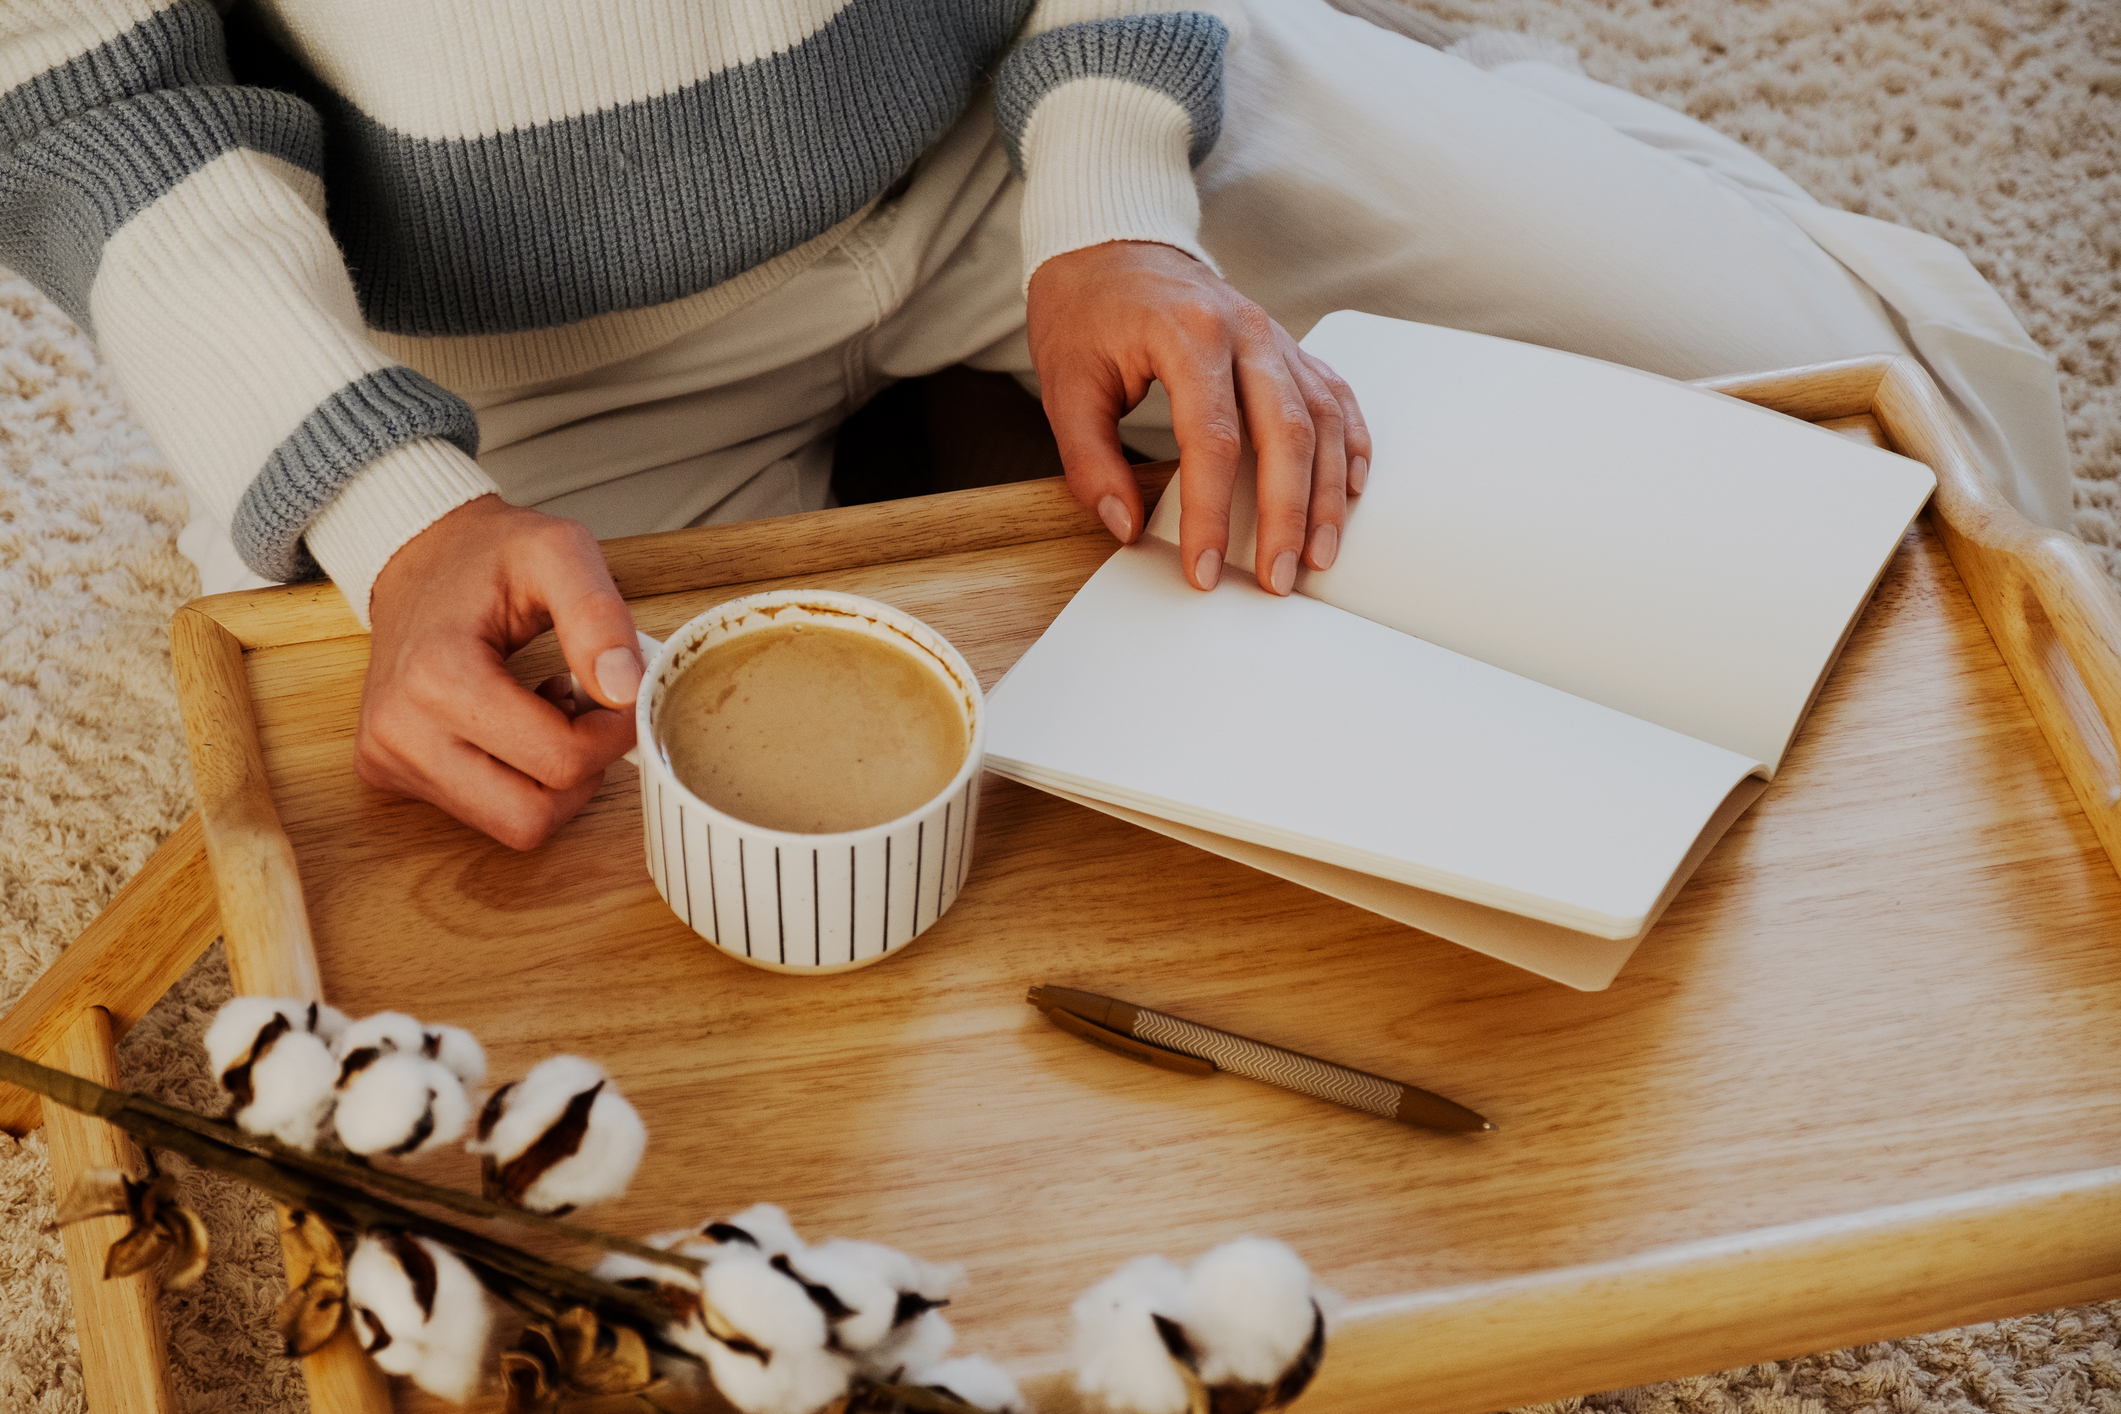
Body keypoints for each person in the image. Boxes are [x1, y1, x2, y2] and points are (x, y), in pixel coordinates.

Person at [2, 0, 2074, 851]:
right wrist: (386, 499)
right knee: (577, 970)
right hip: (501, 358)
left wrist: (1110, 190)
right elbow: (89, 84)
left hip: (1013, 115)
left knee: (1866, 410)